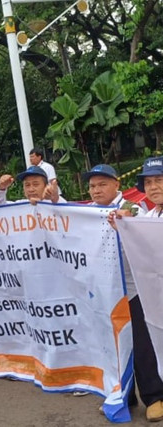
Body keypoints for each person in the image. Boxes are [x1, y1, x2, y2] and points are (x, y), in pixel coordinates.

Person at [110, 158, 163, 422]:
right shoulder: (149, 217)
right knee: (152, 343)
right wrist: (125, 230)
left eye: (159, 180)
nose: (153, 187)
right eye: (149, 182)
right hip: (153, 294)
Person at [0, 166, 64, 205]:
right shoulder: (20, 206)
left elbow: (68, 213)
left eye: (35, 184)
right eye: (27, 185)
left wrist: (55, 198)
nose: (31, 189)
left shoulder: (54, 204)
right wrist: (1, 189)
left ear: (46, 186)